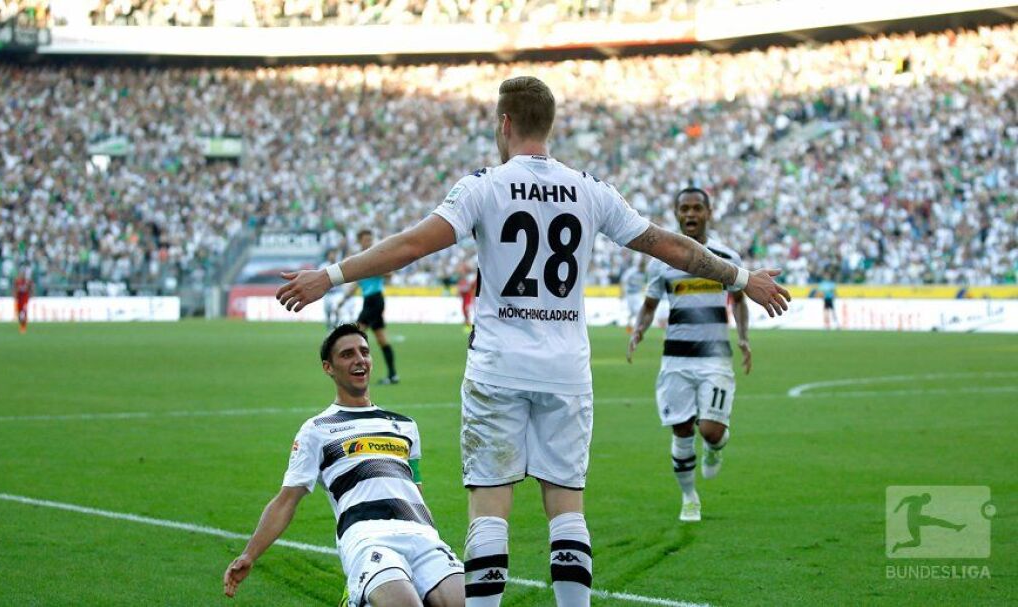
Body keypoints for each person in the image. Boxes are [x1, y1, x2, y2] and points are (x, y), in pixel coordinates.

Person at [276, 76, 790, 606]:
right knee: (567, 509)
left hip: (497, 368)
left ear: (504, 123)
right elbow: (670, 247)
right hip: (566, 371)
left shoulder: (484, 186)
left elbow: (411, 246)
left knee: (490, 509)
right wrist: (742, 278)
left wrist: (330, 276)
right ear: (550, 124)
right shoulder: (589, 188)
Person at [222, 324, 464, 607]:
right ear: (329, 368)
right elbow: (286, 501)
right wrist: (249, 554)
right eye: (347, 355)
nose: (359, 360)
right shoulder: (317, 429)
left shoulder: (404, 425)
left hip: (422, 537)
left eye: (364, 352)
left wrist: (431, 534)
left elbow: (415, 491)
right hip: (367, 538)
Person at [626, 187, 753, 523]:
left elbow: (739, 301)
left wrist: (743, 338)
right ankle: (689, 497)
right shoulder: (662, 263)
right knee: (682, 430)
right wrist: (639, 330)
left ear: (709, 213)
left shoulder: (727, 257)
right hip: (676, 360)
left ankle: (714, 448)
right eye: (685, 209)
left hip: (715, 358)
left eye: (698, 208)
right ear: (676, 213)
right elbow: (650, 305)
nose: (691, 214)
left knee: (711, 430)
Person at [337, 230, 400, 384]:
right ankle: (393, 375)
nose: (369, 242)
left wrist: (375, 268)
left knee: (355, 335)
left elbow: (390, 274)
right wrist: (343, 300)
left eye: (370, 239)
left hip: (375, 299)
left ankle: (351, 374)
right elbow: (356, 284)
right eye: (366, 240)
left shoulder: (377, 257)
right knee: (381, 339)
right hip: (369, 301)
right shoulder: (358, 260)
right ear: (360, 241)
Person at [619, 254, 648, 332]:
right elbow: (623, 280)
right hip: (630, 294)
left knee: (639, 310)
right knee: (632, 311)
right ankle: (629, 325)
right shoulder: (632, 271)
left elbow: (646, 282)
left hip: (637, 294)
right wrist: (622, 292)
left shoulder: (645, 273)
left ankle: (637, 327)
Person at [320, 248, 345, 329]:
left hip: (337, 292)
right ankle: (329, 327)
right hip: (327, 293)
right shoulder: (323, 266)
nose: (332, 256)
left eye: (334, 254)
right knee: (327, 312)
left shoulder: (339, 265)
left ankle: (336, 326)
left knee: (336, 309)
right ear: (328, 256)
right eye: (331, 254)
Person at [456, 261, 476, 332]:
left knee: (468, 310)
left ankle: (470, 325)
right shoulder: (462, 278)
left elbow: (471, 286)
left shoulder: (471, 277)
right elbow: (461, 287)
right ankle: (467, 324)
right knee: (464, 310)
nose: (461, 271)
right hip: (464, 298)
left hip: (470, 297)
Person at [14, 267, 33, 334]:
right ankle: (21, 325)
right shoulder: (17, 281)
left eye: (24, 274)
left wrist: (31, 295)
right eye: (22, 274)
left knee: (24, 313)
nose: (23, 275)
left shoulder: (28, 282)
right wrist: (15, 296)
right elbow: (15, 289)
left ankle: (23, 327)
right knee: (19, 314)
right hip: (19, 300)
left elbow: (31, 288)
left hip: (25, 300)